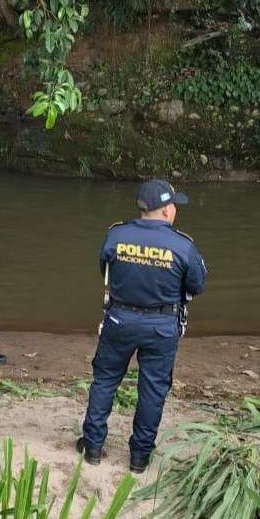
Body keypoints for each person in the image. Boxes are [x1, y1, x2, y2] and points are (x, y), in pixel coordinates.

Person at [76, 179, 206, 474]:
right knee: (152, 390)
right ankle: (139, 458)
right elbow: (196, 285)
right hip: (162, 325)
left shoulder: (116, 235)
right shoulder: (182, 245)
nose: (175, 209)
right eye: (173, 205)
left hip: (119, 319)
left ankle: (93, 446)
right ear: (165, 210)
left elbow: (104, 270)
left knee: (105, 380)